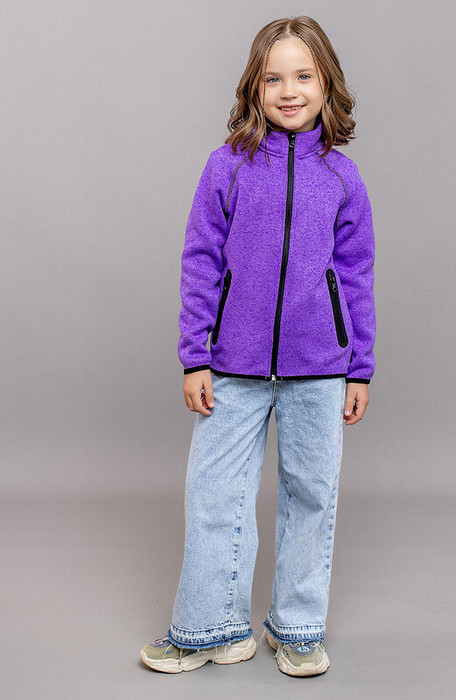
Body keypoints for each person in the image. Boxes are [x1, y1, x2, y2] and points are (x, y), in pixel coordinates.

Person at [140, 15, 376, 678]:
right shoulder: (227, 166)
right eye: (273, 78)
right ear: (254, 87)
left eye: (303, 76)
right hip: (232, 367)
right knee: (214, 494)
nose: (288, 90)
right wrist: (195, 354)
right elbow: (200, 261)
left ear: (327, 85)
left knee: (311, 496)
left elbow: (355, 277)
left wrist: (358, 368)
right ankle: (208, 627)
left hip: (319, 369)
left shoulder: (342, 178)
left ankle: (297, 626)